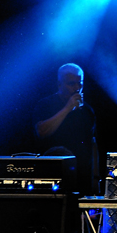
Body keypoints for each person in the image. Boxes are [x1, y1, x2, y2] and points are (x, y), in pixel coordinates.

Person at [33, 63, 100, 195]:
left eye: (80, 84)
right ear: (60, 84)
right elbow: (42, 131)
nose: (77, 88)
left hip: (81, 177)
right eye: (71, 84)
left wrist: (96, 177)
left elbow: (92, 143)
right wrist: (68, 108)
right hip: (52, 176)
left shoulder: (87, 110)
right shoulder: (45, 104)